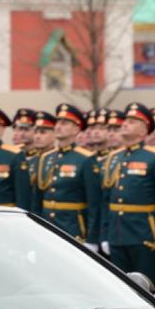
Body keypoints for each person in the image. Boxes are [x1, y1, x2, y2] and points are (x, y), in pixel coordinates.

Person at [100, 103, 155, 288]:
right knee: (121, 288)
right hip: (117, 234)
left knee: (147, 288)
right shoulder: (114, 158)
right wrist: (104, 234)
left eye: (132, 121)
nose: (125, 124)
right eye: (126, 120)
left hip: (144, 235)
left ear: (144, 130)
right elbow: (105, 200)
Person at [33, 104, 101, 250]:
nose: (58, 127)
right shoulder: (46, 158)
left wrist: (92, 238)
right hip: (47, 227)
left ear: (76, 129)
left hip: (72, 228)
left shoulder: (85, 159)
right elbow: (37, 200)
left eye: (64, 123)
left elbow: (93, 203)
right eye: (57, 122)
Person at [26, 111, 56, 201]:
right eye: (36, 132)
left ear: (54, 135)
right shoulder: (29, 161)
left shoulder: (58, 159)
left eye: (43, 132)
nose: (37, 136)